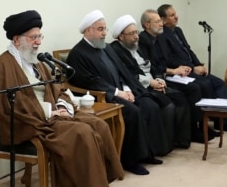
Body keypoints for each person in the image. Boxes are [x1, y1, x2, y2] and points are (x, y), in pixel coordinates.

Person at [0, 11, 124, 186]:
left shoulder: (36, 61)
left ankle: (100, 180)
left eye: (39, 36)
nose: (38, 42)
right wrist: (51, 112)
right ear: (16, 40)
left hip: (52, 115)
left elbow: (58, 89)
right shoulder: (4, 65)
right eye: (33, 37)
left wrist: (63, 107)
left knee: (100, 125)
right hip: (30, 122)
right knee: (82, 133)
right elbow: (11, 105)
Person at [66, 10, 162, 176]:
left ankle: (146, 153)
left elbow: (121, 70)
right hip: (101, 97)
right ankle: (130, 161)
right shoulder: (78, 54)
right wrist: (117, 92)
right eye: (100, 29)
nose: (105, 33)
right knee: (132, 112)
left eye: (105, 29)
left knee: (147, 104)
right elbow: (89, 81)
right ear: (88, 31)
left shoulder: (105, 47)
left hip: (119, 91)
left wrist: (126, 88)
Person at [110, 14, 192, 148]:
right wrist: (150, 83)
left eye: (136, 32)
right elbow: (128, 74)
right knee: (168, 105)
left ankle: (180, 140)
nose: (136, 36)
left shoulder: (137, 46)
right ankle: (163, 145)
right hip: (139, 87)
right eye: (132, 34)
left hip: (152, 81)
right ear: (121, 36)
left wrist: (159, 79)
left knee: (181, 98)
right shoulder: (116, 50)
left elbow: (152, 65)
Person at [154, 4, 227, 131]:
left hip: (193, 67)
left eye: (175, 13)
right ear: (163, 20)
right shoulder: (162, 35)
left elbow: (188, 50)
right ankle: (216, 120)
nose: (176, 17)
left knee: (219, 83)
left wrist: (198, 65)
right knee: (206, 84)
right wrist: (193, 68)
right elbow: (170, 60)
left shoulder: (178, 30)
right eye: (172, 15)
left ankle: (224, 117)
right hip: (182, 72)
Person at [138, 9, 215, 142]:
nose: (161, 24)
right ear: (147, 25)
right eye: (157, 22)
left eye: (161, 21)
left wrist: (179, 69)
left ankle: (201, 126)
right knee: (194, 88)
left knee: (199, 85)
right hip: (159, 78)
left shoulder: (157, 38)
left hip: (167, 74)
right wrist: (172, 71)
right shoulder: (144, 41)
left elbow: (166, 59)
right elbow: (152, 66)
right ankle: (193, 130)